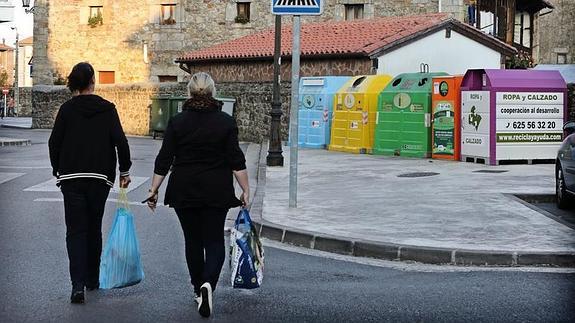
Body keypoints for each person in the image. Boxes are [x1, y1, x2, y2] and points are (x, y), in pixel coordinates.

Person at [144, 72, 249, 318]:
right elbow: (236, 160)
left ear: (189, 92)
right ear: (213, 91)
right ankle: (208, 284)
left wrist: (153, 189)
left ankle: (197, 287)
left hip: (184, 188)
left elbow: (165, 159)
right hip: (217, 188)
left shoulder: (177, 122)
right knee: (213, 240)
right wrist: (245, 188)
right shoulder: (225, 121)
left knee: (192, 240)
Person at [48, 62, 132, 304]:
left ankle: (77, 285)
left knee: (75, 230)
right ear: (92, 81)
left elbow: (54, 142)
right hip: (99, 179)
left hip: (71, 178)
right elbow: (121, 141)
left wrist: (58, 170)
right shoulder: (107, 109)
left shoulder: (66, 110)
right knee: (94, 227)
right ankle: (93, 279)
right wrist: (124, 171)